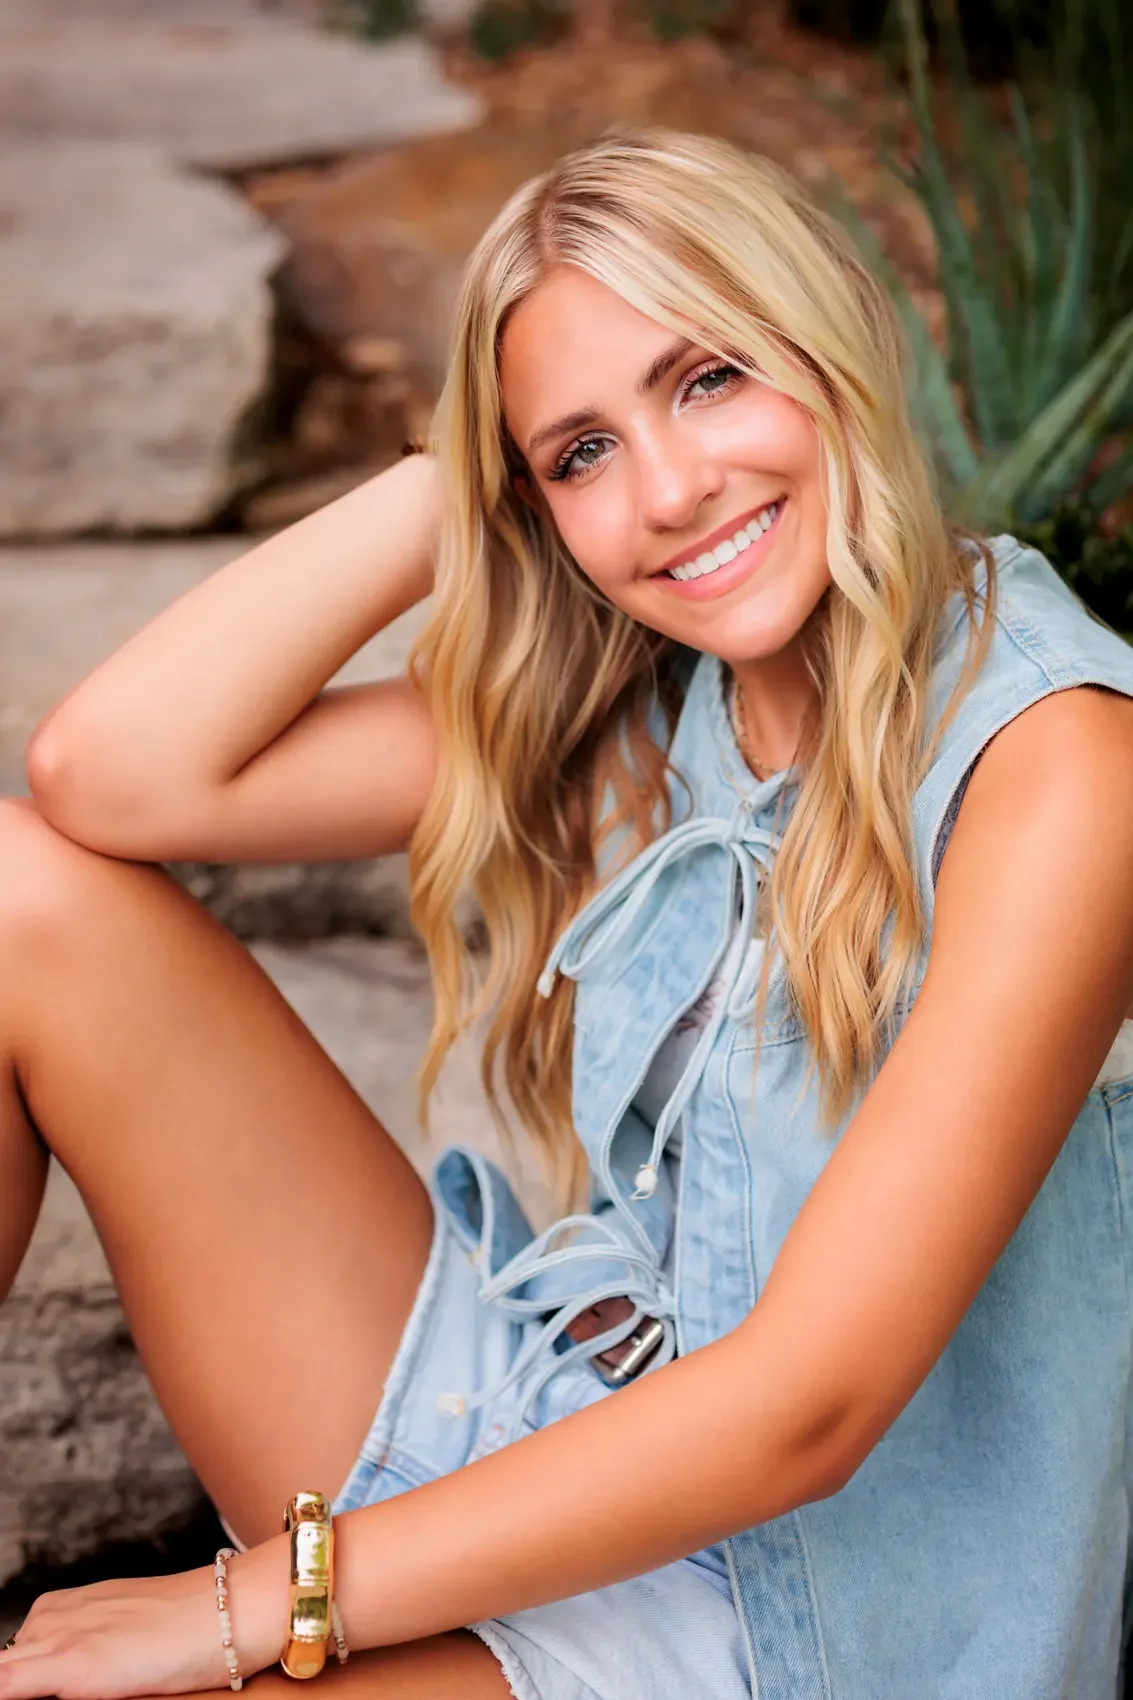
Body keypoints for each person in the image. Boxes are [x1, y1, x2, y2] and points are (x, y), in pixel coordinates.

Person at [1, 125, 1132, 1700]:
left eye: (710, 377)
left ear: (832, 339)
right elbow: (107, 779)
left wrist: (253, 1602)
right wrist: (448, 475)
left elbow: (810, 1407)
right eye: (580, 452)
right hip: (561, 1428)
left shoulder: (1059, 765)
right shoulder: (664, 711)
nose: (669, 493)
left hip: (801, 1628)